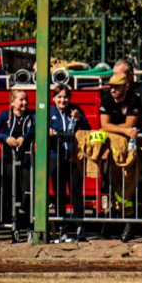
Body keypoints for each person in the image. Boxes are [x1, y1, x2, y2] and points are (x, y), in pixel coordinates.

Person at [99, 71, 142, 241]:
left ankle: (128, 222)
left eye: (117, 87)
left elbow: (130, 123)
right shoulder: (107, 99)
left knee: (128, 184)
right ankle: (112, 220)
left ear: (126, 86)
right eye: (111, 87)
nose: (113, 90)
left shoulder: (133, 100)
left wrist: (113, 128)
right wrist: (123, 130)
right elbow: (104, 124)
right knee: (110, 184)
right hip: (111, 150)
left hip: (128, 150)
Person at [0, 89, 35, 240]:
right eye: (21, 100)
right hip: (9, 161)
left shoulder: (32, 115)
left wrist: (24, 137)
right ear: (12, 102)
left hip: (27, 162)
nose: (24, 103)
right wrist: (5, 137)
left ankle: (30, 227)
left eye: (26, 100)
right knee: (10, 194)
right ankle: (13, 229)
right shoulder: (4, 115)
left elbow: (36, 128)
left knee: (27, 193)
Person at [115, 59, 142, 221]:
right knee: (122, 175)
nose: (117, 79)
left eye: (120, 75)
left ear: (131, 75)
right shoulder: (116, 92)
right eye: (114, 75)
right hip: (122, 142)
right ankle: (123, 211)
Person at [49, 84, 90, 240]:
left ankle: (80, 226)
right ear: (54, 98)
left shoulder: (75, 110)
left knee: (75, 191)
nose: (62, 100)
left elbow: (87, 128)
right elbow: (40, 129)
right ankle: (62, 228)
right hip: (56, 156)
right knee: (59, 193)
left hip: (74, 157)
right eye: (59, 97)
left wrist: (80, 119)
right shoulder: (50, 112)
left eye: (65, 97)